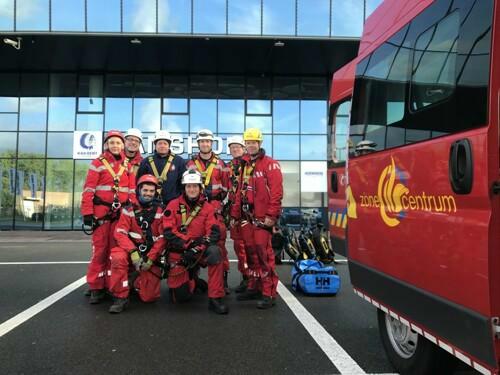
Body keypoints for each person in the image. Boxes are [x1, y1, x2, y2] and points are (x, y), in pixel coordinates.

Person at [81, 130, 136, 304]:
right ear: (107, 145)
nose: (115, 145)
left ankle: (112, 285)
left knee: (115, 253)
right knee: (99, 252)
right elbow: (89, 189)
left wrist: (132, 212)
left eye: (118, 143)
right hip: (101, 216)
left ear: (122, 145)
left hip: (120, 216)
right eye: (112, 142)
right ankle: (96, 287)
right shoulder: (97, 163)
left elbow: (132, 190)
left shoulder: (127, 165)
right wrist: (87, 213)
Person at [163, 170, 228, 315]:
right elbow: (168, 232)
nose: (192, 189)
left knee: (216, 252)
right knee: (181, 298)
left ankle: (215, 298)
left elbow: (213, 233)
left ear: (200, 188)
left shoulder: (208, 208)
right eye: (188, 186)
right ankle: (194, 280)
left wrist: (196, 248)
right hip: (180, 253)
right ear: (184, 188)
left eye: (195, 186)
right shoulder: (173, 205)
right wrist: (189, 244)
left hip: (200, 250)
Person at [231, 128, 283, 309]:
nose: (251, 145)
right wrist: (235, 215)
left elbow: (276, 193)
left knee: (264, 255)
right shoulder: (244, 165)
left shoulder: (270, 164)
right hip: (246, 217)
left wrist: (271, 216)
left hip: (262, 218)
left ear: (259, 144)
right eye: (248, 142)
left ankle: (269, 293)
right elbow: (239, 192)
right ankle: (253, 285)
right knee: (251, 254)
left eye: (254, 142)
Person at [108, 174, 165, 313]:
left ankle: (135, 281)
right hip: (131, 251)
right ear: (139, 190)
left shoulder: (160, 211)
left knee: (149, 297)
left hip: (150, 254)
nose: (148, 194)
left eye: (151, 191)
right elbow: (120, 233)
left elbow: (163, 238)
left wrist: (151, 259)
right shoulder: (128, 210)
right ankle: (120, 296)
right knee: (118, 257)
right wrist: (133, 252)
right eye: (145, 190)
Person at [186, 129, 231, 294]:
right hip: (196, 209)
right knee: (194, 241)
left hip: (215, 207)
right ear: (198, 144)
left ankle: (222, 281)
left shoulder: (221, 164)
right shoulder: (190, 164)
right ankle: (194, 278)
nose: (205, 144)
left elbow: (227, 188)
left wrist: (220, 205)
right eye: (202, 142)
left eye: (207, 141)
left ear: (211, 143)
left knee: (219, 245)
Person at [224, 135, 248, 293]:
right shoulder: (228, 166)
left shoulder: (250, 164)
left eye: (237, 147)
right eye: (232, 147)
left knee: (250, 247)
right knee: (239, 246)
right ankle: (246, 278)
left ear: (243, 148)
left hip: (248, 211)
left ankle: (254, 279)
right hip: (233, 210)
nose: (234, 149)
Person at [137, 130, 186, 206]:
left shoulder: (179, 161)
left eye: (165, 143)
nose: (162, 145)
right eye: (159, 143)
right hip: (150, 204)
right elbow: (138, 182)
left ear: (169, 145)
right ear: (155, 145)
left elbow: (183, 184)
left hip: (173, 204)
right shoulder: (146, 162)